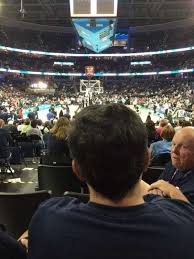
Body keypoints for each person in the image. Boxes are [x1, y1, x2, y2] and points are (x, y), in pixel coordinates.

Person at [28, 104, 194, 259]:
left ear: (77, 170)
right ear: (146, 162)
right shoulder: (183, 224)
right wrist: (172, 190)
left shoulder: (47, 220)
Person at [159, 127, 194, 204]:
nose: (174, 150)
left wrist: (170, 190)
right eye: (173, 144)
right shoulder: (172, 165)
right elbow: (157, 186)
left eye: (183, 147)